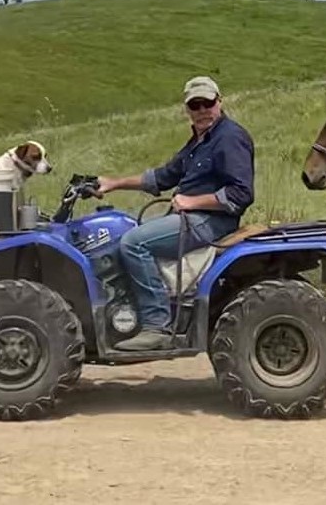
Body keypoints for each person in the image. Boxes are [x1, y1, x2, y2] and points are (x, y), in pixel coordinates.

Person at [96, 75, 255, 351]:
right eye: (196, 105)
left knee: (133, 243)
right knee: (123, 227)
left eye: (208, 103)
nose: (203, 110)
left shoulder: (230, 137)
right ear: (188, 109)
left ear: (220, 102)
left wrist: (193, 202)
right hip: (192, 217)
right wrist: (114, 183)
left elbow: (241, 194)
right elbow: (164, 176)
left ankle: (157, 324)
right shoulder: (199, 141)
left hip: (209, 222)